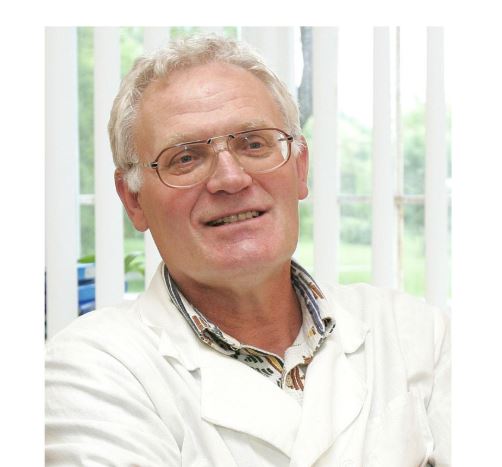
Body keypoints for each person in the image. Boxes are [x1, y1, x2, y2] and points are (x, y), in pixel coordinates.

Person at [45, 35, 450, 466]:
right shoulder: (90, 371)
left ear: (300, 168)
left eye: (254, 144)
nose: (231, 178)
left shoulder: (415, 334)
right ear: (133, 199)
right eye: (185, 157)